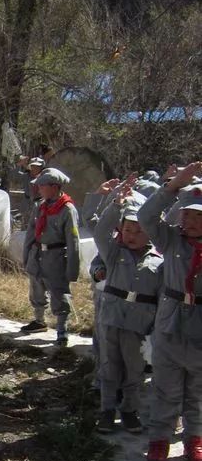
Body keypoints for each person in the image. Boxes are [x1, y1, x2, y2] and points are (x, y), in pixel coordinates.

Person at [138, 164, 202, 461]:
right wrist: (173, 186)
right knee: (165, 386)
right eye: (186, 213)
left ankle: (194, 439)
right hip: (171, 321)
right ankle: (160, 439)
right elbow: (146, 217)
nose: (187, 219)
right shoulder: (172, 240)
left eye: (196, 215)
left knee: (198, 390)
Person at [92, 178, 163, 434]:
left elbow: (161, 295)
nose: (132, 236)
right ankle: (107, 410)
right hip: (111, 316)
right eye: (128, 230)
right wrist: (116, 204)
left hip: (139, 321)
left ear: (151, 232)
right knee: (110, 366)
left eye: (139, 230)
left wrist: (155, 329)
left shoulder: (159, 260)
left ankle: (130, 411)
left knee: (134, 368)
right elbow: (100, 231)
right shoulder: (114, 252)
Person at [21, 167, 80, 346]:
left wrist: (72, 269)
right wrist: (27, 255)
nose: (39, 189)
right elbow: (31, 232)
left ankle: (62, 328)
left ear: (54, 187)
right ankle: (39, 320)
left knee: (58, 292)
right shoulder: (40, 206)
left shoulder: (67, 209)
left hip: (55, 256)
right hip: (37, 254)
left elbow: (73, 241)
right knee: (36, 287)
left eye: (42, 186)